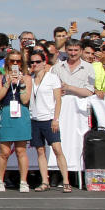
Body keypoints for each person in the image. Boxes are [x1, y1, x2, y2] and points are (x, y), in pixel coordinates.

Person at [0, 50, 32, 192]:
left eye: (18, 61)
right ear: (7, 62)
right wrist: (8, 84)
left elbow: (25, 99)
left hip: (21, 112)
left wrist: (22, 84)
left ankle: (23, 181)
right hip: (5, 112)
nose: (15, 64)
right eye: (12, 61)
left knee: (21, 150)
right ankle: (0, 180)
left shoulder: (27, 78)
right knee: (4, 151)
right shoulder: (1, 77)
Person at [28, 51, 71, 193]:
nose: (34, 64)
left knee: (57, 149)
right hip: (34, 118)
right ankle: (44, 181)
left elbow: (58, 100)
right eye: (32, 62)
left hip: (49, 119)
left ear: (44, 63)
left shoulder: (52, 78)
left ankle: (66, 181)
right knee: (40, 151)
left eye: (37, 61)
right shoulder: (30, 79)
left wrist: (55, 119)